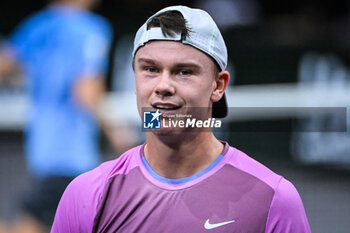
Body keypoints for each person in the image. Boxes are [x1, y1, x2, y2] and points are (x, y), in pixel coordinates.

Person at [51, 5, 311, 233]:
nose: (163, 86)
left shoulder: (273, 199)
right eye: (150, 69)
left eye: (183, 72)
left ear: (218, 86)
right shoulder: (88, 194)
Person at [0, 0, 112, 232]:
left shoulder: (37, 25)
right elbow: (86, 92)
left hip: (41, 150)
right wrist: (114, 130)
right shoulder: (92, 28)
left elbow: (5, 65)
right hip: (72, 154)